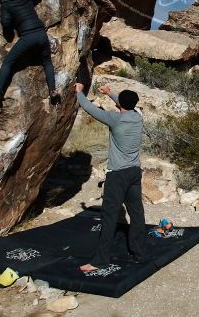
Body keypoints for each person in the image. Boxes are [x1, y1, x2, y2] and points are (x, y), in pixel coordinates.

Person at [73, 81, 146, 271]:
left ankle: (100, 261)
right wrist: (109, 93)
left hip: (118, 175)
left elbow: (89, 108)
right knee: (136, 213)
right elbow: (126, 105)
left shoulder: (115, 120)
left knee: (109, 217)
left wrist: (79, 92)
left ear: (120, 105)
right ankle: (138, 253)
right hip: (134, 173)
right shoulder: (138, 117)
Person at [0, 0, 61, 107]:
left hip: (28, 37)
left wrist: (9, 31)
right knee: (47, 62)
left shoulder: (6, 6)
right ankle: (53, 90)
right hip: (41, 34)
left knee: (8, 62)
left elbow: (6, 24)